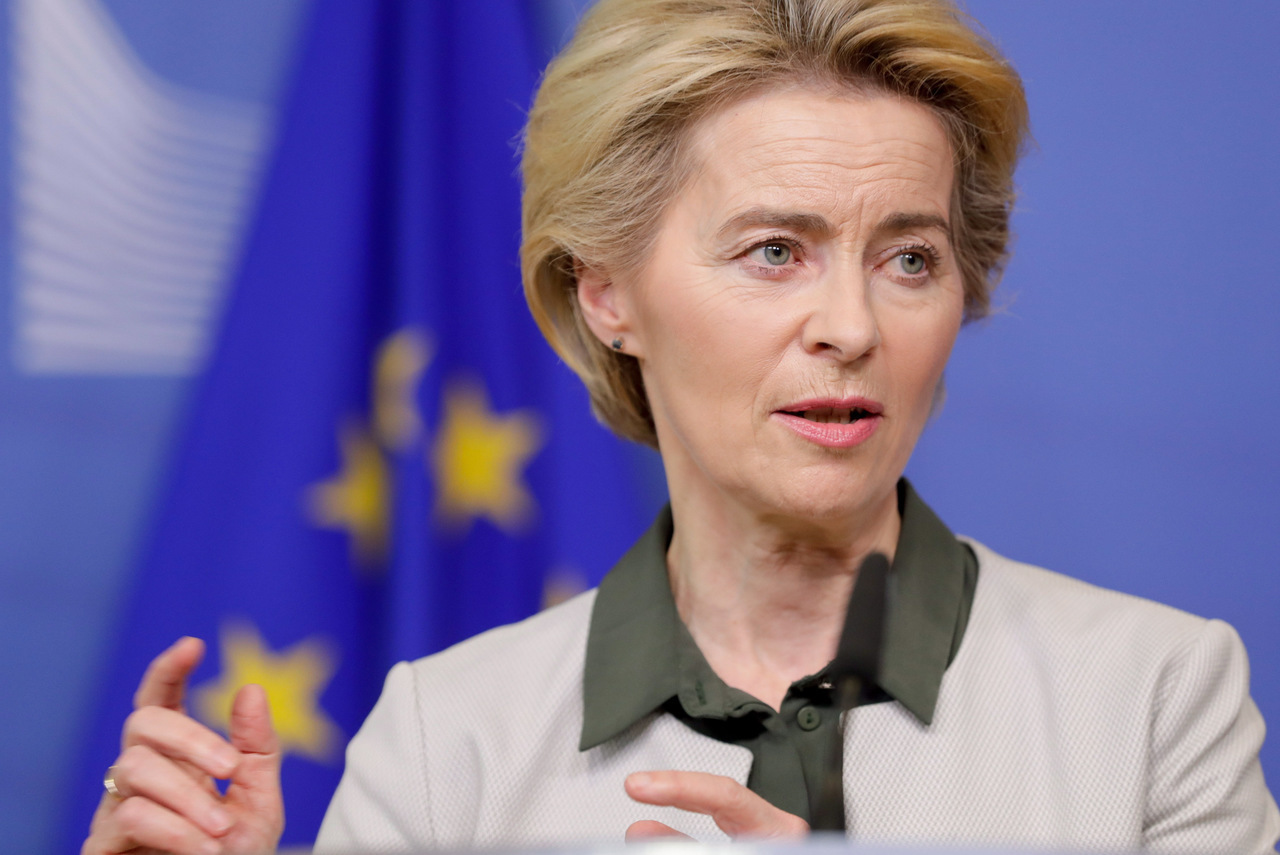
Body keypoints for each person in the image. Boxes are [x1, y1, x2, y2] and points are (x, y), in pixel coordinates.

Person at [82, 0, 1280, 853]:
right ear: (606, 294)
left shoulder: (1151, 698)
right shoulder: (447, 737)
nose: (850, 326)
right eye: (774, 251)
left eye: (908, 258)